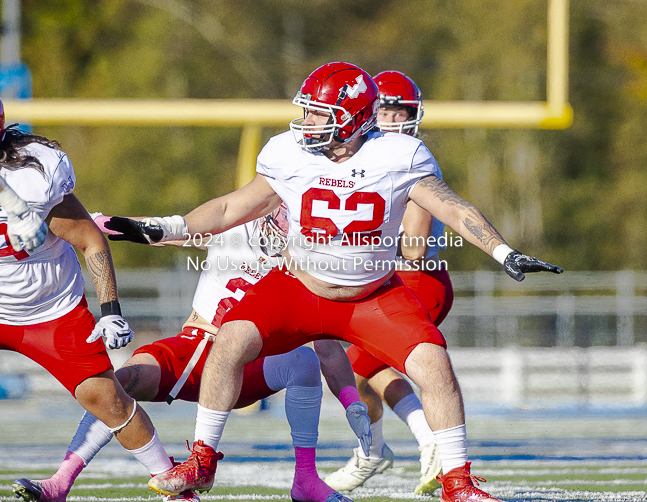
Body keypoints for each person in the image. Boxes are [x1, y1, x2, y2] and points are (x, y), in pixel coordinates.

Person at [107, 62, 563, 502]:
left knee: (434, 365)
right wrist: (169, 226)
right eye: (306, 110)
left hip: (371, 296)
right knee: (230, 340)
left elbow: (452, 208)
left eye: (318, 113)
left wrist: (503, 251)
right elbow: (231, 208)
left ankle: (458, 482)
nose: (306, 122)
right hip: (300, 289)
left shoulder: (397, 154)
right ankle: (202, 461)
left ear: (353, 118)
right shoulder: (288, 151)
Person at [13, 207, 370, 502]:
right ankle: (60, 483)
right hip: (194, 347)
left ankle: (305, 481)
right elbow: (168, 233)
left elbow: (325, 344)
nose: (283, 215)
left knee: (303, 361)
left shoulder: (309, 263)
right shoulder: (235, 226)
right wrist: (103, 225)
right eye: (280, 204)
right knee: (118, 385)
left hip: (249, 366)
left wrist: (351, 400)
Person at [0, 103, 177, 502]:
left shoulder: (32, 176)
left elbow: (90, 239)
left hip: (49, 310)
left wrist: (111, 311)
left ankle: (172, 486)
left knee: (107, 399)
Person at [324, 70, 452, 495]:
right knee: (357, 375)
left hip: (417, 278)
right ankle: (373, 450)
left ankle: (425, 439)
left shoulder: (411, 156)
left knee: (358, 364)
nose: (395, 121)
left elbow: (414, 246)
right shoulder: (361, 157)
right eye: (386, 111)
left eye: (402, 112)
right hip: (382, 279)